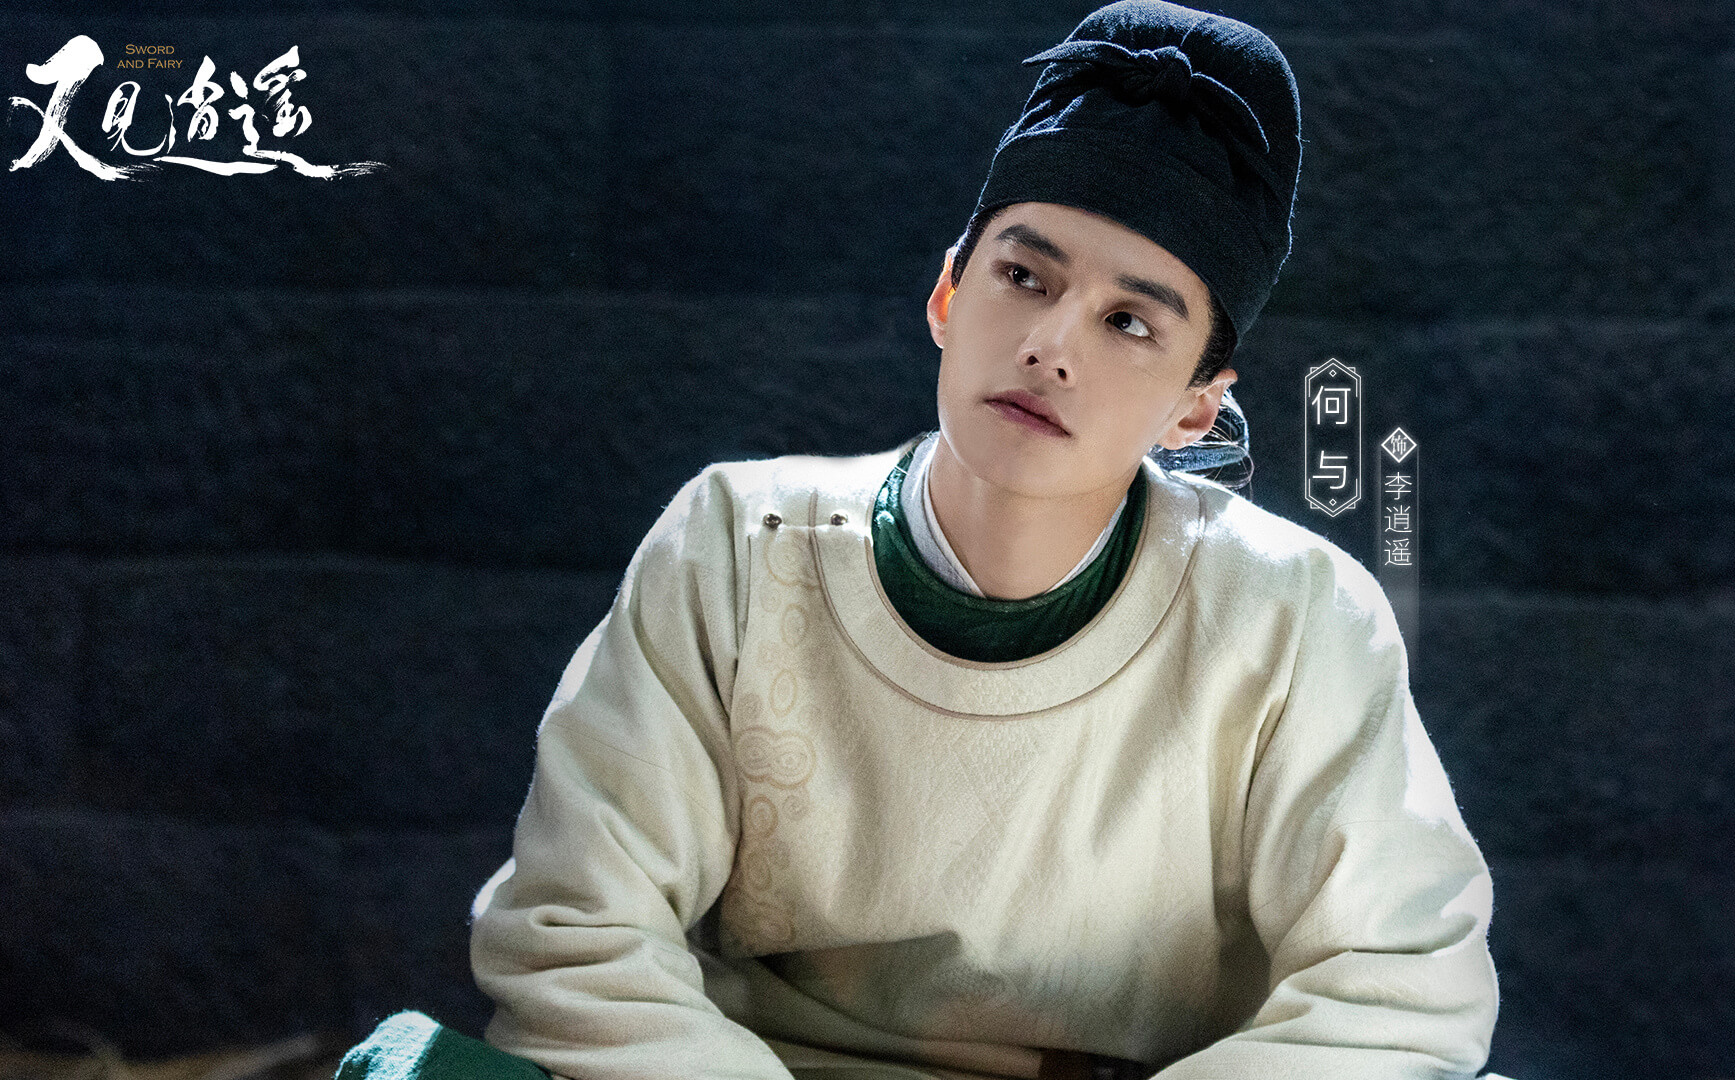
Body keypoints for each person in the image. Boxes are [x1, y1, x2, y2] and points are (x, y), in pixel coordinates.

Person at [460, 3, 1499, 1078]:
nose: (1051, 345)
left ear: (1197, 406)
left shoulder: (1296, 616)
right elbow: (576, 933)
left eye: (1129, 322)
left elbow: (1400, 991)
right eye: (1025, 277)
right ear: (948, 295)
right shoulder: (738, 545)